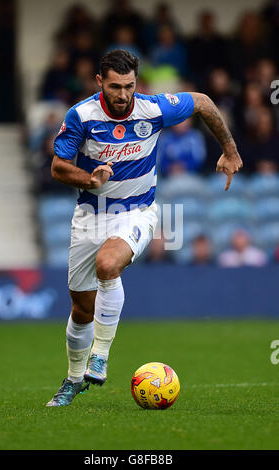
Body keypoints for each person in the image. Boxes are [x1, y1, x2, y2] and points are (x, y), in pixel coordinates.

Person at [46, 49, 243, 406]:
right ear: (99, 82)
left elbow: (202, 102)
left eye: (130, 86)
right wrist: (90, 179)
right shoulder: (81, 115)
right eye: (115, 86)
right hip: (90, 216)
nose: (123, 95)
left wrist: (229, 149)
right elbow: (59, 167)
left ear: (138, 83)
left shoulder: (152, 108)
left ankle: (100, 356)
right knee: (80, 310)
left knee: (108, 265)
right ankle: (74, 379)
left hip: (137, 212)